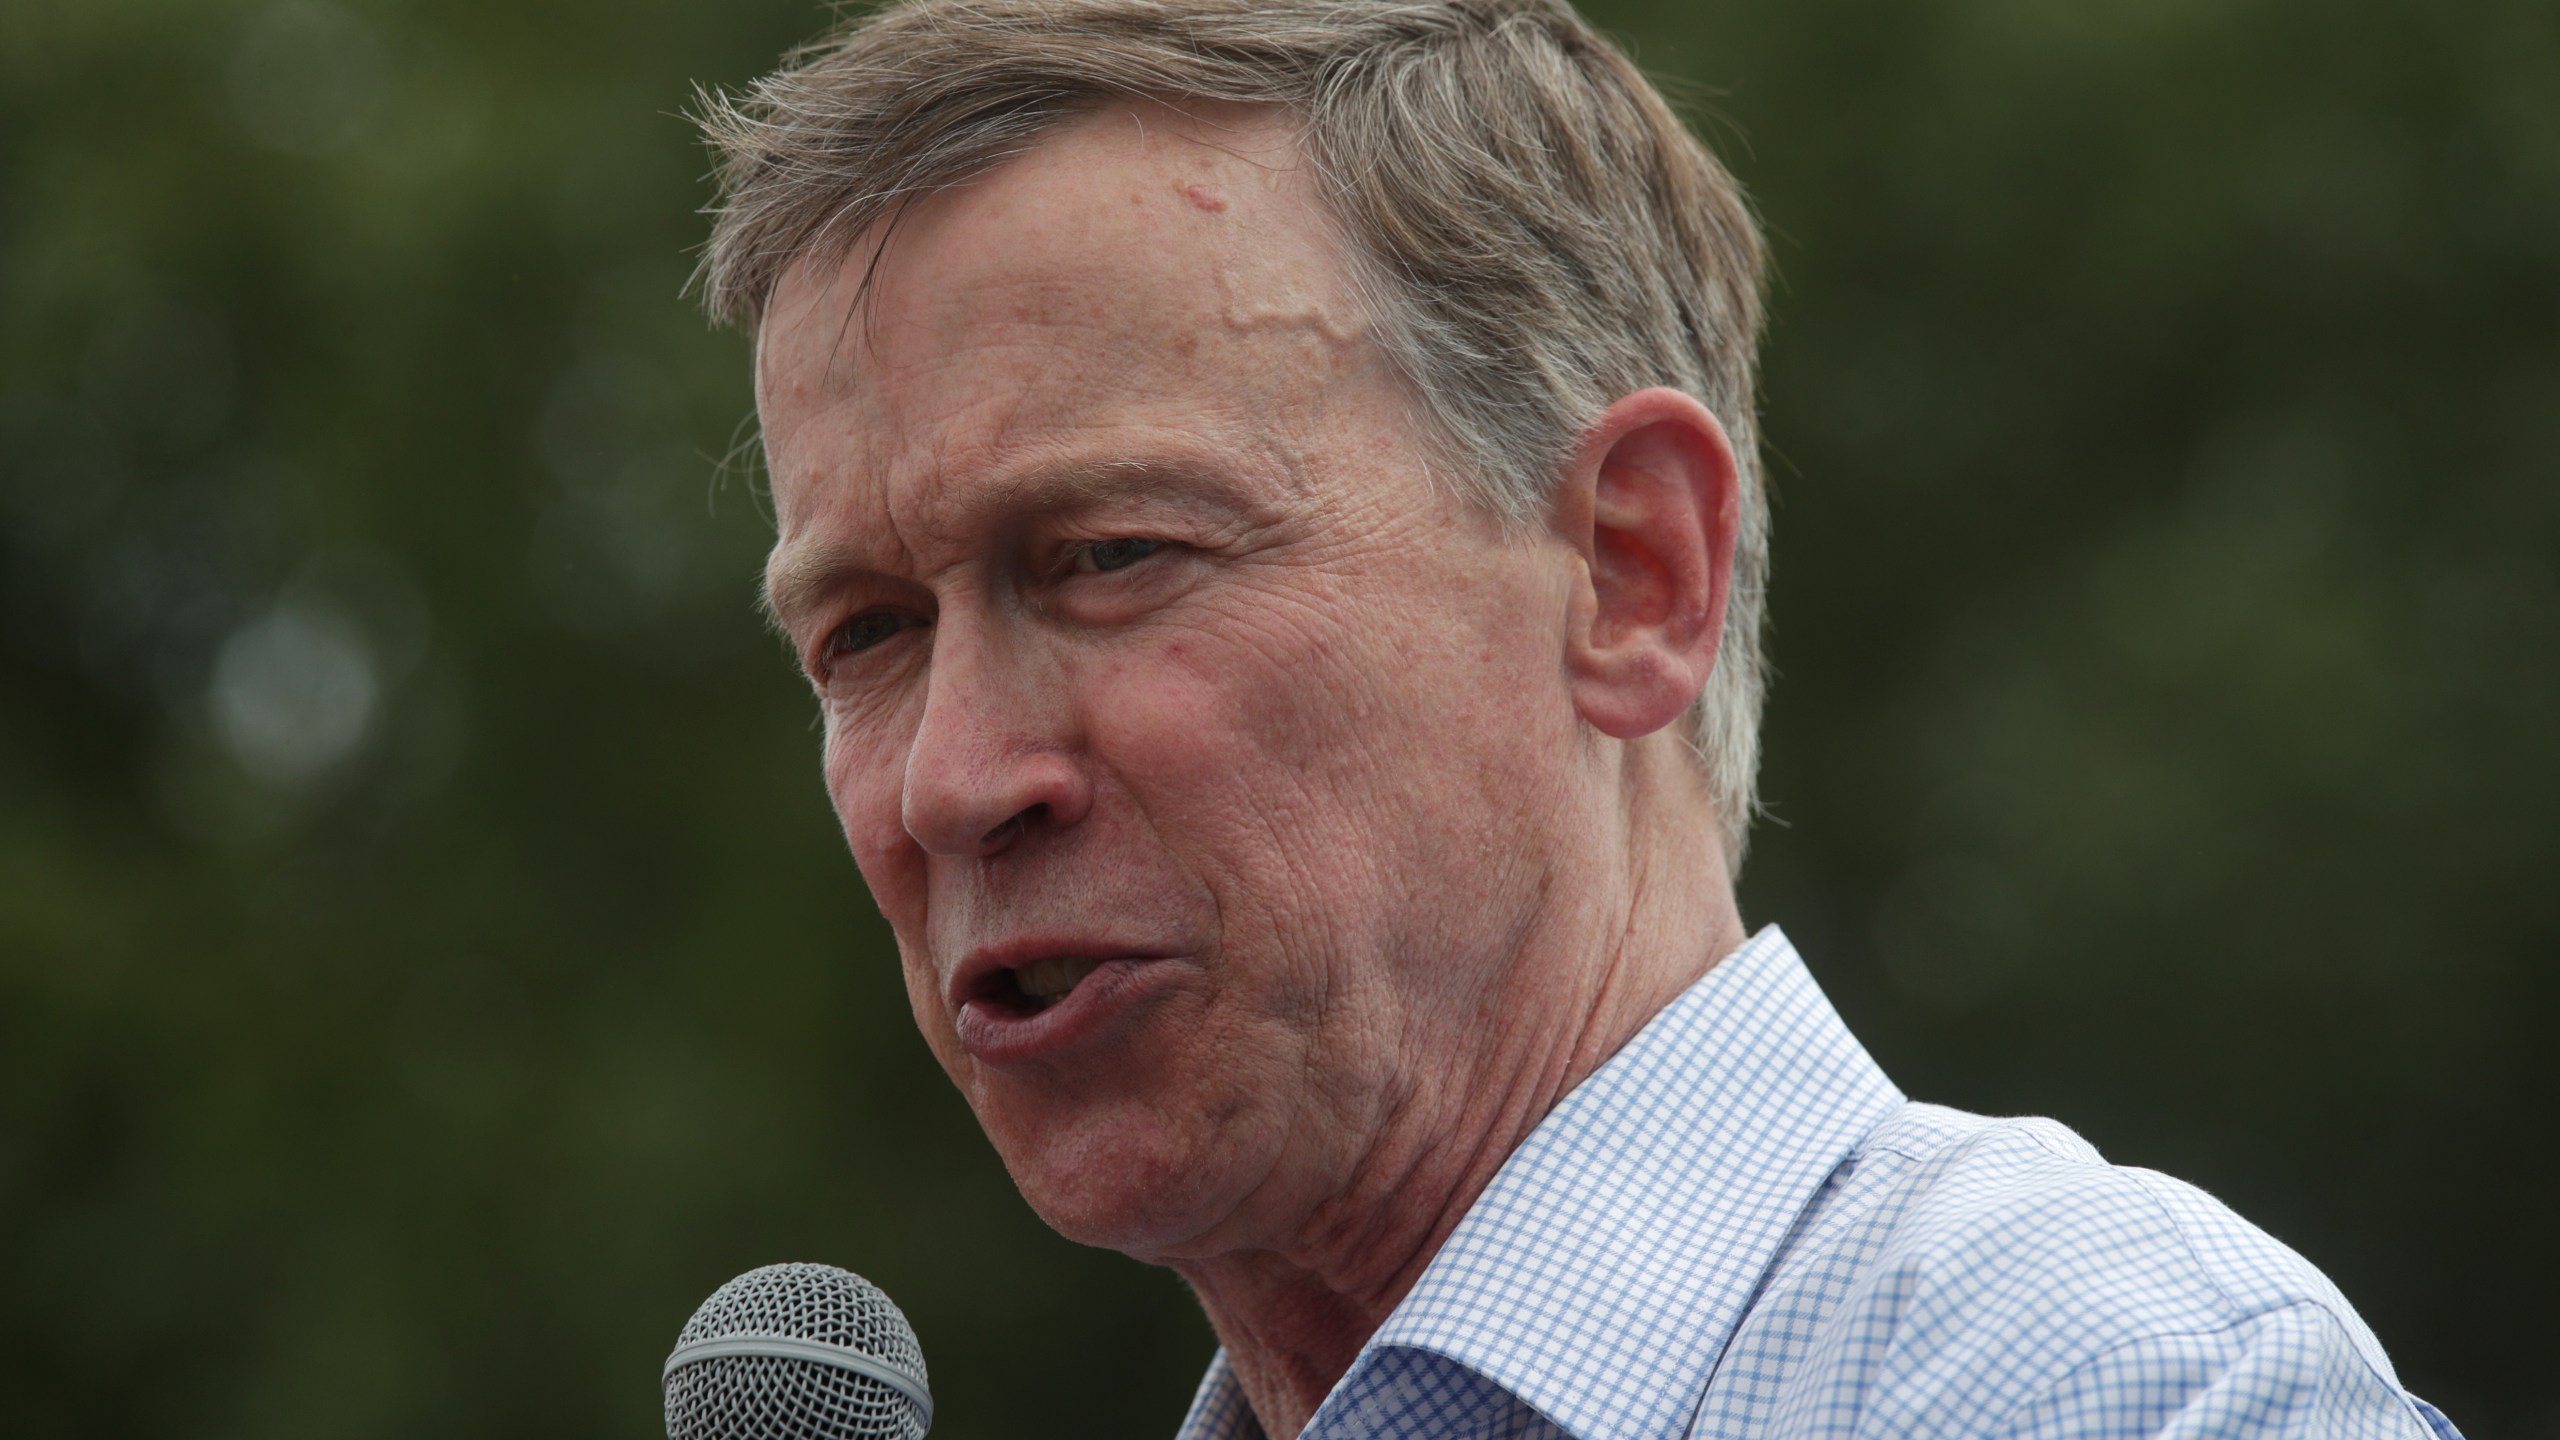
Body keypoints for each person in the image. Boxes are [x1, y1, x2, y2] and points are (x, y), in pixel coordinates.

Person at [694, 1, 2461, 1435]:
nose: (950, 781)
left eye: (1106, 555)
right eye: (865, 634)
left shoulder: (2115, 1393)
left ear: (1632, 574)